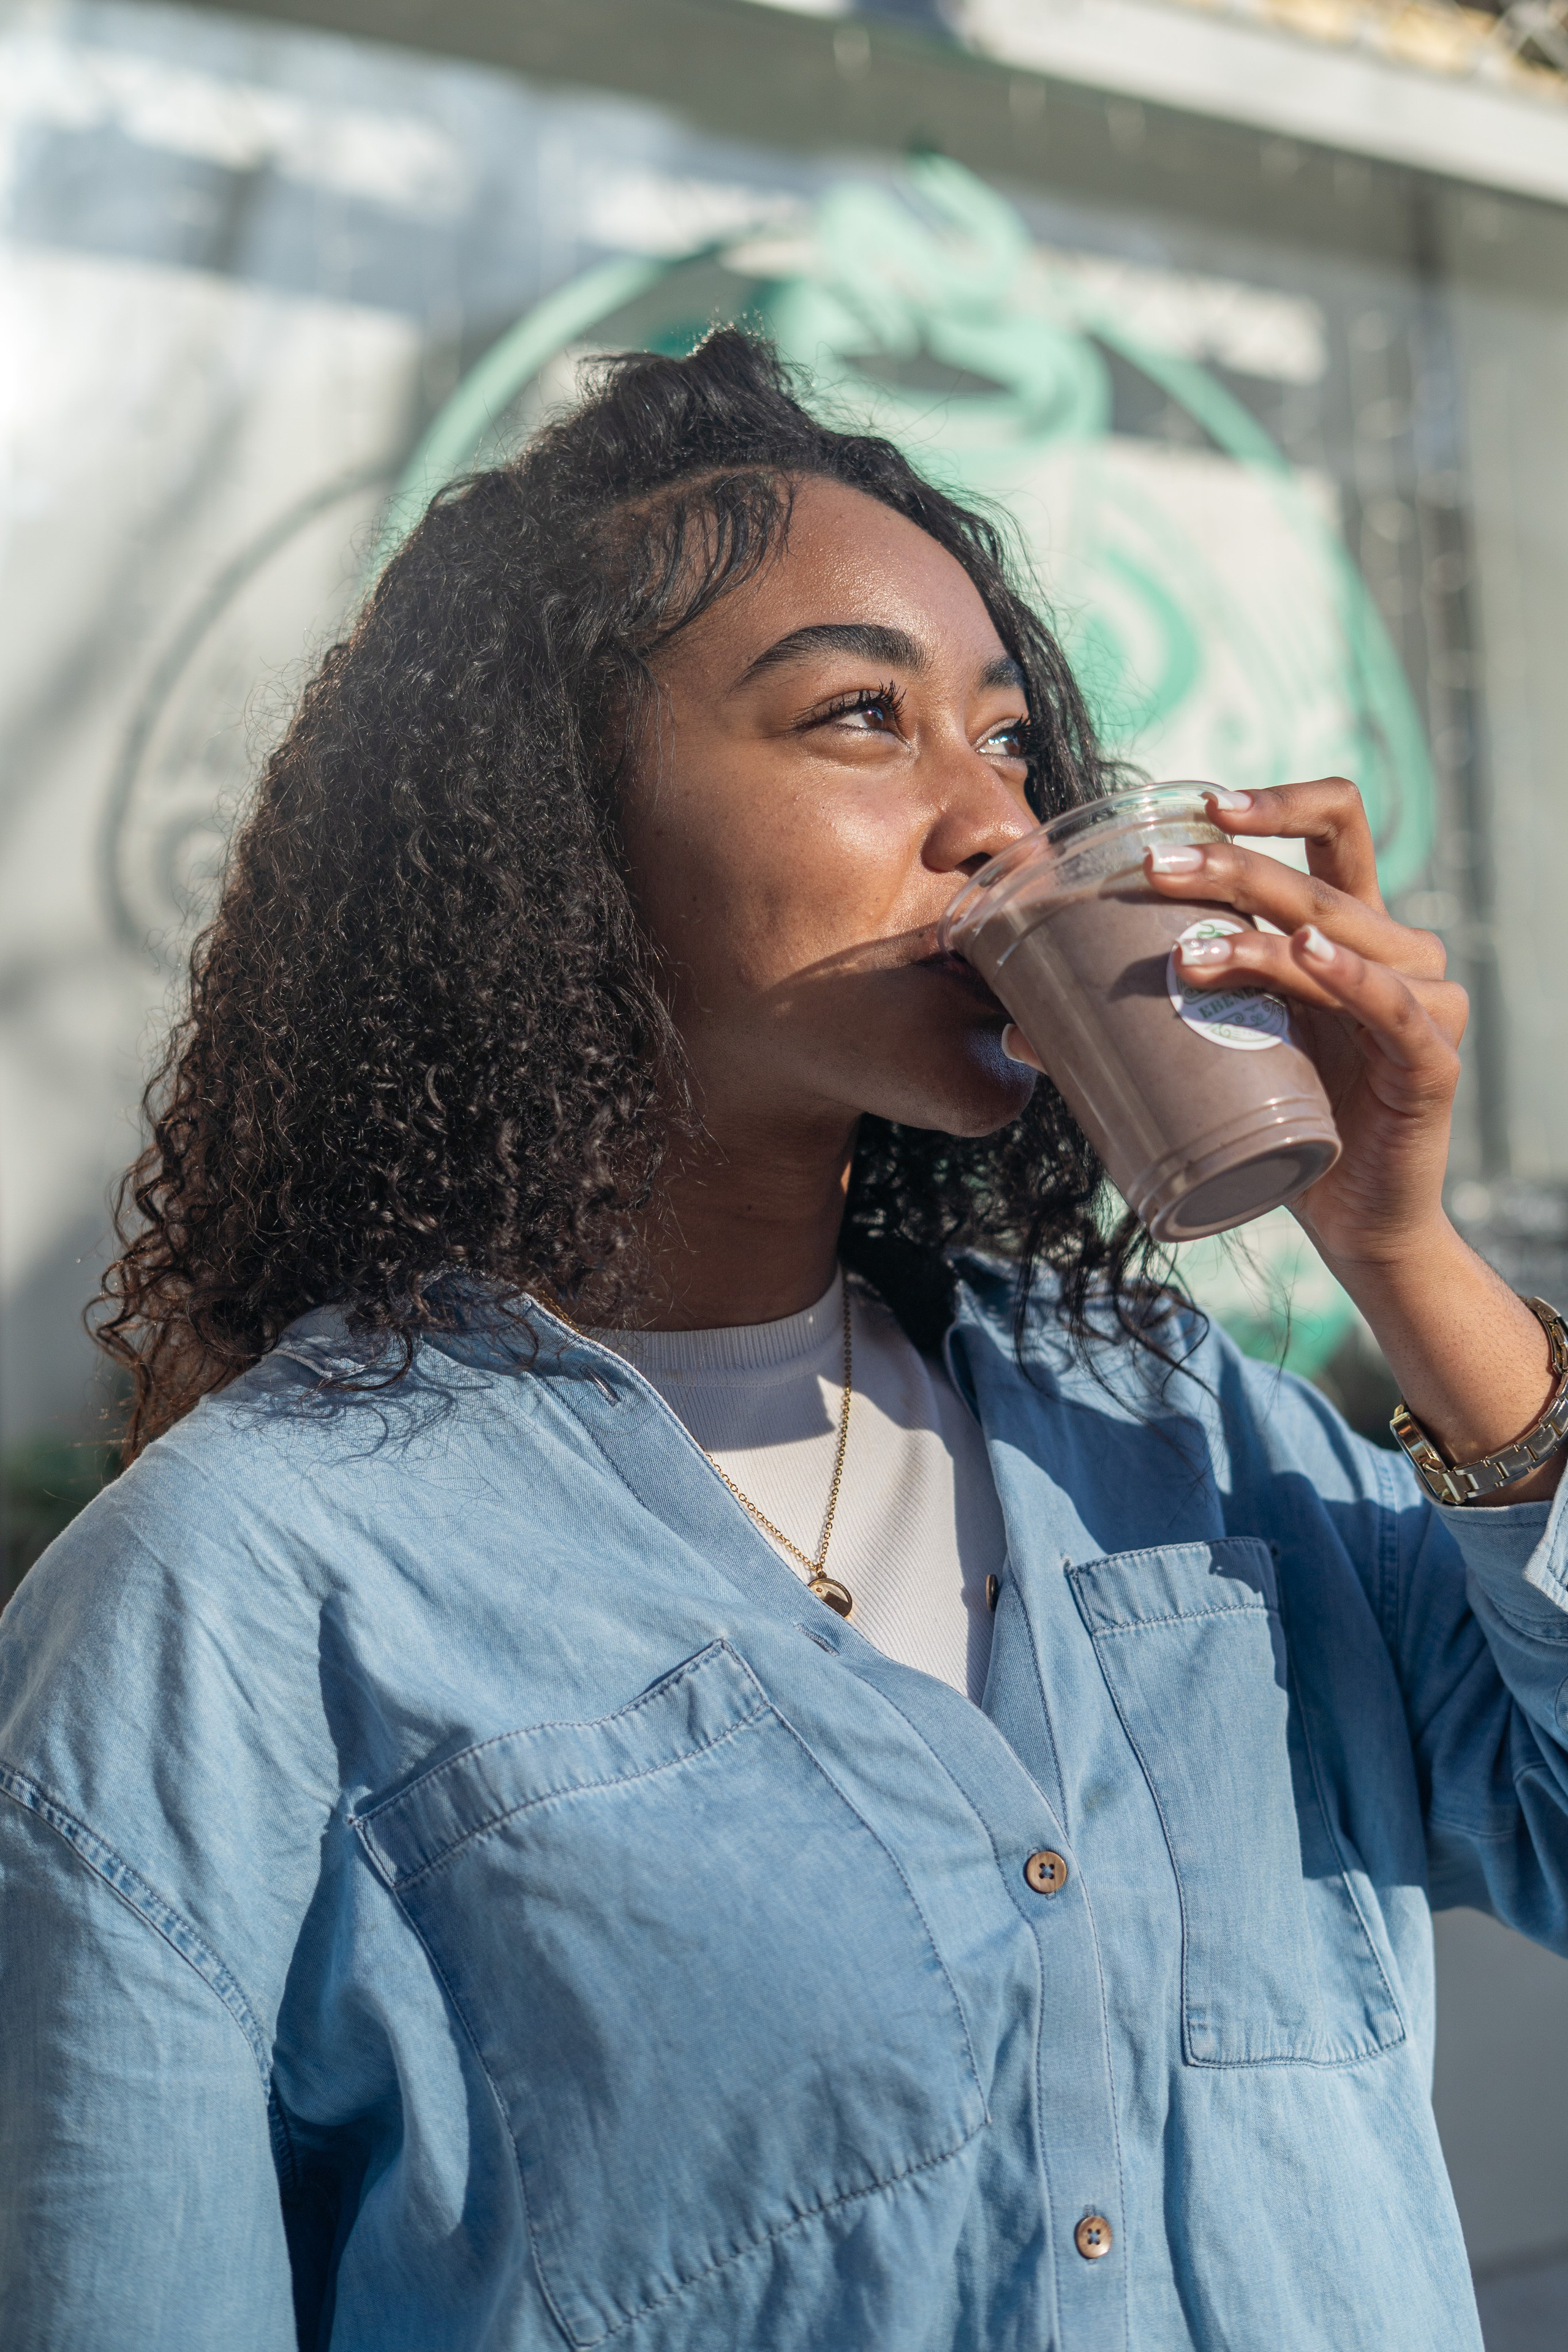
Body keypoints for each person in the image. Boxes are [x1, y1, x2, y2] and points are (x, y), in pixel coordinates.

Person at [2, 330, 1566, 2352]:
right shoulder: (238, 1599)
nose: (994, 821)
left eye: (1009, 738)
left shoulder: (1167, 1434)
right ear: (557, 824)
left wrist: (1404, 1254)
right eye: (860, 718)